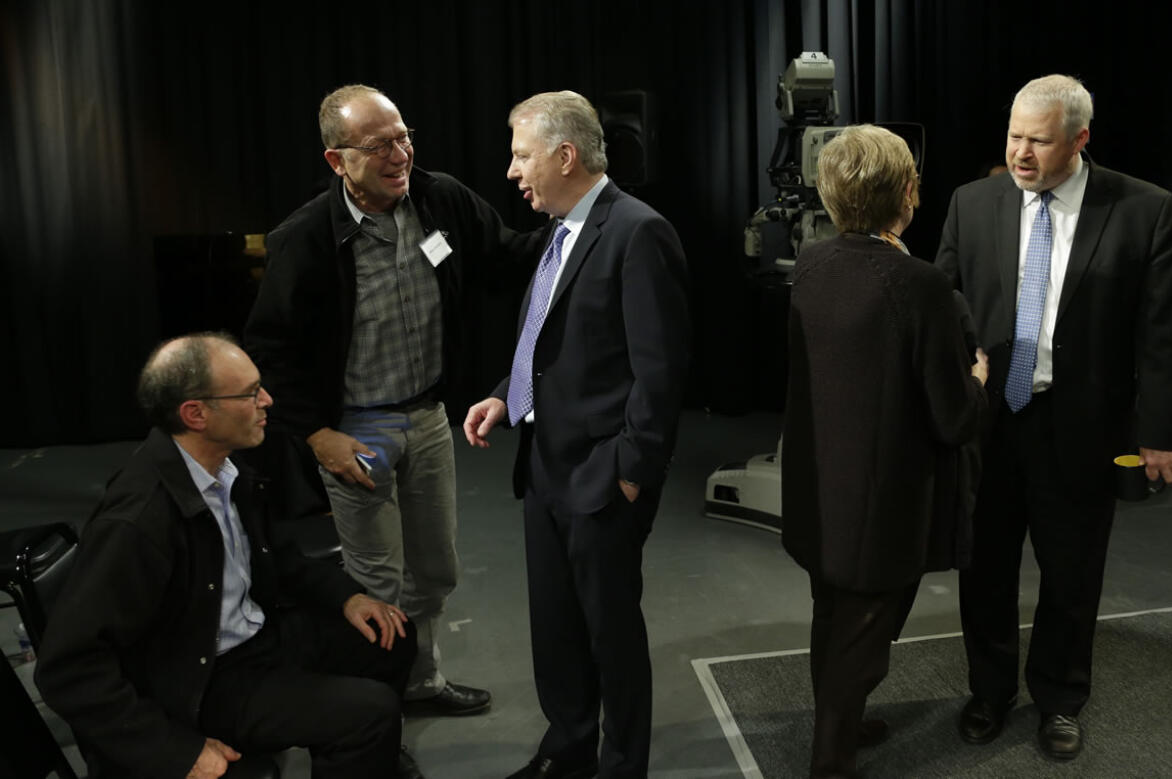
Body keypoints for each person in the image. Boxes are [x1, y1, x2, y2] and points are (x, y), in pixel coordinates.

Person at [245, 84, 536, 716]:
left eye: (403, 137)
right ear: (337, 160)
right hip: (358, 430)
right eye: (379, 145)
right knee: (377, 582)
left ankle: (420, 685)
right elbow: (268, 352)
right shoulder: (304, 240)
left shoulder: (441, 201)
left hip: (428, 417)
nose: (400, 153)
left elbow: (510, 257)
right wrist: (318, 437)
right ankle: (376, 716)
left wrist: (579, 228)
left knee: (433, 572)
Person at [935, 74, 1172, 760]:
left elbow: (1163, 333)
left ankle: (1060, 697)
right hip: (990, 423)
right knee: (983, 568)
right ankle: (989, 690)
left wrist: (1160, 434)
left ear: (1080, 139)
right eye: (1014, 136)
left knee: (1072, 574)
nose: (1020, 153)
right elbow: (942, 314)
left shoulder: (1143, 209)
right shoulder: (973, 201)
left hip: (1079, 427)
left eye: (1038, 141)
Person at [35, 333, 422, 779]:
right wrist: (175, 751)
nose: (268, 400)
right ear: (196, 413)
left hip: (256, 635)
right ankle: (365, 744)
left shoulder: (229, 468)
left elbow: (280, 558)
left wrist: (349, 597)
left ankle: (365, 757)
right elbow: (67, 670)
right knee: (368, 714)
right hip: (203, 679)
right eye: (250, 393)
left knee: (392, 634)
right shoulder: (139, 521)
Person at [463, 91, 689, 779]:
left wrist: (628, 470)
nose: (511, 171)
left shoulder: (638, 232)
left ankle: (622, 768)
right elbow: (556, 338)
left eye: (521, 155)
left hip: (600, 478)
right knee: (557, 632)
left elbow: (661, 371)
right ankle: (567, 751)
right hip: (543, 468)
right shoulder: (559, 231)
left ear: (565, 156)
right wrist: (507, 396)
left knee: (610, 638)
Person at [781, 125, 989, 779]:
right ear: (907, 191)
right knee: (864, 640)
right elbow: (953, 417)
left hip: (820, 492)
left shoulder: (810, 264)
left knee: (831, 617)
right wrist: (979, 376)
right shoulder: (920, 284)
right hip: (881, 507)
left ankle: (836, 723)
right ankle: (831, 760)